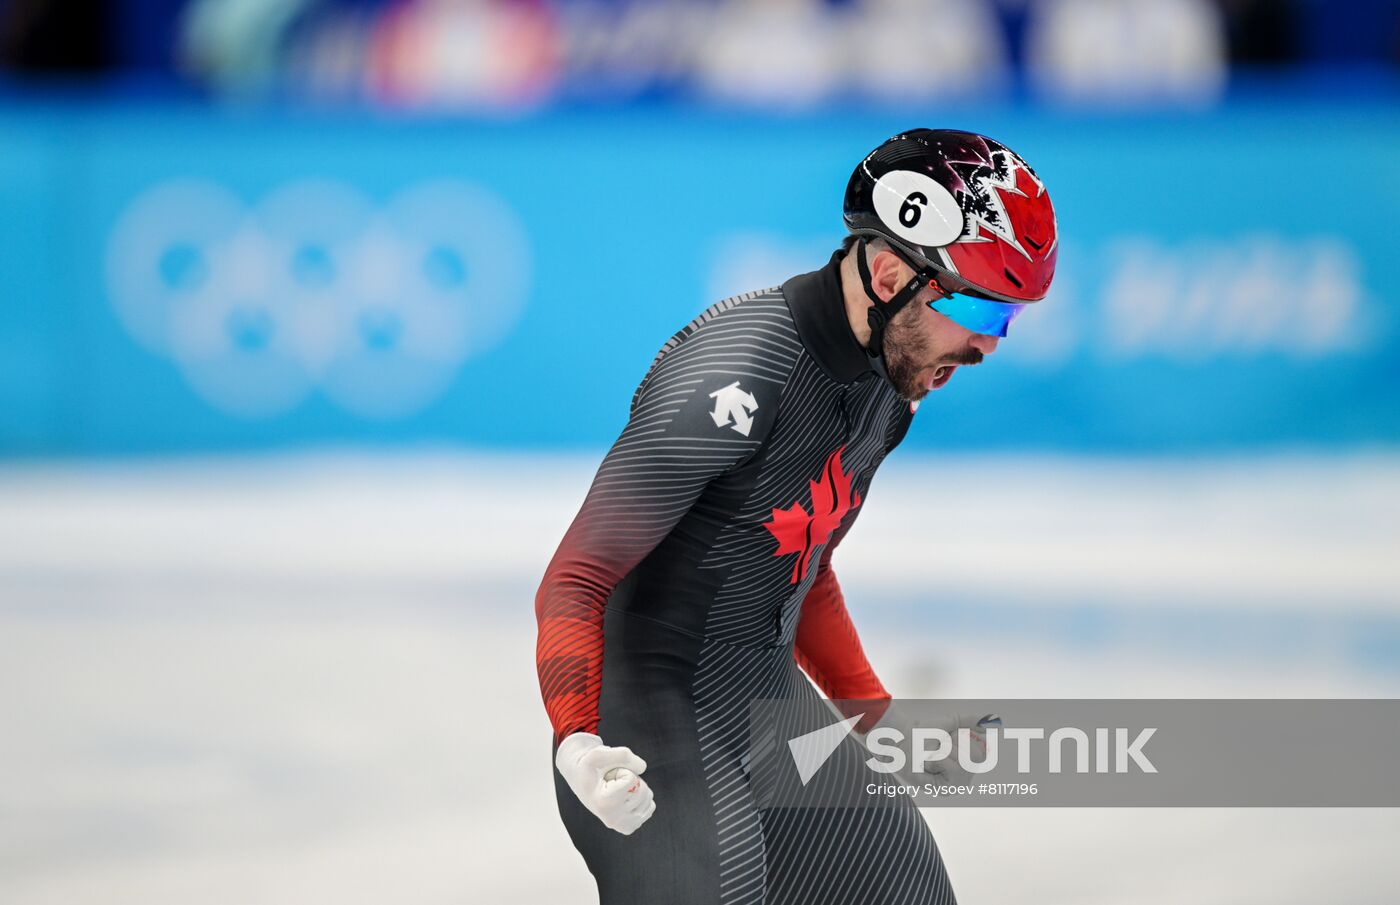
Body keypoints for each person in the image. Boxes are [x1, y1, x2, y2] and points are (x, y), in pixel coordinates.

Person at [535, 128, 1058, 904]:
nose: (989, 342)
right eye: (982, 308)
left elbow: (800, 566)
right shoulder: (735, 375)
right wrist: (577, 736)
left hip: (763, 705)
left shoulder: (890, 386)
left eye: (1008, 318)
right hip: (645, 724)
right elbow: (576, 577)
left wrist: (873, 715)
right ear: (888, 274)